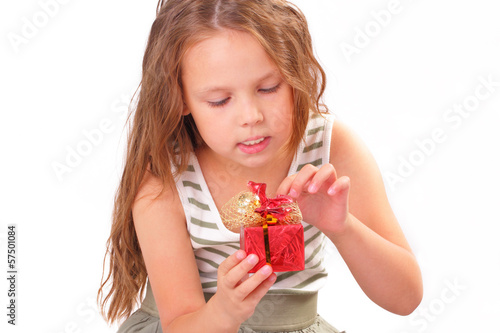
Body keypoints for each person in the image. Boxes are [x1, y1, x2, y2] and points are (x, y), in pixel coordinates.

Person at [97, 0, 423, 332]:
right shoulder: (166, 173)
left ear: (294, 75)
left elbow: (405, 298)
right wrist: (225, 311)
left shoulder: (328, 146)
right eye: (220, 101)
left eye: (268, 88)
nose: (251, 117)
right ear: (180, 97)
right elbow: (179, 325)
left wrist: (343, 228)